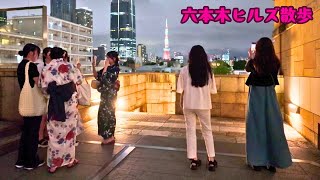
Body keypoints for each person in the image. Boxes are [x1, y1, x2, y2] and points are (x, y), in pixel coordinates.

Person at [245, 37, 292, 172]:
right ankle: (272, 161)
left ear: (258, 49)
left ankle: (256, 161)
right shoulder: (275, 62)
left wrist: (252, 57)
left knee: (255, 127)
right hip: (270, 96)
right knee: (272, 127)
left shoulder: (255, 62)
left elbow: (248, 68)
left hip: (256, 96)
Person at [40, 47, 83, 173]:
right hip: (69, 102)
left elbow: (43, 88)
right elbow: (79, 80)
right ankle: (69, 160)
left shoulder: (46, 68)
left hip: (54, 103)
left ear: (50, 55)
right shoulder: (70, 66)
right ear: (63, 54)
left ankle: (53, 164)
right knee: (69, 133)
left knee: (54, 133)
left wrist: (52, 94)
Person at [177, 45, 218, 171]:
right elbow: (212, 91)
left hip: (188, 104)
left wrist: (181, 102)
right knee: (207, 131)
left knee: (190, 131)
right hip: (204, 105)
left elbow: (180, 90)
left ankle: (193, 159)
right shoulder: (208, 71)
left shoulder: (184, 70)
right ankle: (211, 160)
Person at [16, 43, 45, 170]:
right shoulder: (31, 66)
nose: (37, 56)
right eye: (37, 53)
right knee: (33, 133)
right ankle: (31, 161)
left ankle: (21, 160)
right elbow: (39, 84)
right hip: (33, 104)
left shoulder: (20, 65)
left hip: (25, 101)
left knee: (26, 132)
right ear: (32, 53)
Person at [94, 51, 120, 145]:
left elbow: (105, 78)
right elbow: (97, 76)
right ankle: (108, 136)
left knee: (108, 115)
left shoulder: (115, 69)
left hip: (110, 95)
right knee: (103, 114)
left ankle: (109, 136)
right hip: (105, 95)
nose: (106, 59)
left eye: (108, 57)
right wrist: (93, 65)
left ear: (113, 59)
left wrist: (105, 66)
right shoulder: (108, 68)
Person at [37, 47, 52, 148]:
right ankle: (40, 137)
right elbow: (39, 82)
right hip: (42, 95)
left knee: (47, 117)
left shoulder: (49, 66)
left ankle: (46, 135)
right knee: (43, 117)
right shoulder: (41, 66)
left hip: (47, 95)